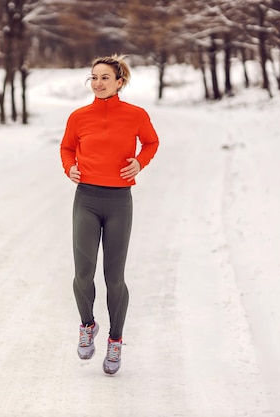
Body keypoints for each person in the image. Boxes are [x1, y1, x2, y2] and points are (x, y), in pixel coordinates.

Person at [59, 54, 159, 375]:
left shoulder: (136, 115)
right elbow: (67, 148)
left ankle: (115, 341)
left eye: (105, 78)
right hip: (86, 198)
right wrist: (69, 167)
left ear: (119, 82)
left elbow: (151, 142)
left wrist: (140, 162)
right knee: (83, 274)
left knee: (114, 278)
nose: (98, 83)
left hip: (119, 201)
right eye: (94, 77)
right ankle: (87, 324)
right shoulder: (78, 117)